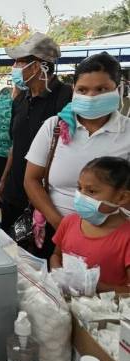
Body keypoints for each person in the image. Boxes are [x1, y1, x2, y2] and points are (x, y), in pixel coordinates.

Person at [24, 52, 130, 257]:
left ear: (117, 90)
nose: (91, 97)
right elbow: (31, 180)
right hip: (56, 233)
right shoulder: (54, 127)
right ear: (73, 90)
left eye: (101, 89)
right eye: (83, 89)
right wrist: (63, 226)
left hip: (113, 242)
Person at [0, 32, 73, 248]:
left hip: (44, 200)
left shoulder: (66, 98)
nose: (15, 67)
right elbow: (15, 144)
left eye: (20, 61)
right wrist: (4, 179)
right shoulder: (21, 98)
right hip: (15, 191)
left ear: (40, 66)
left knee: (41, 257)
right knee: (10, 250)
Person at [50, 157, 130, 293]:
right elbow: (56, 255)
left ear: (122, 198)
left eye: (91, 191)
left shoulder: (126, 237)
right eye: (79, 188)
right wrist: (58, 272)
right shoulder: (69, 222)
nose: (81, 196)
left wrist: (95, 287)